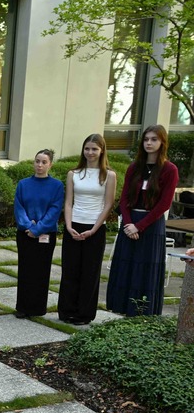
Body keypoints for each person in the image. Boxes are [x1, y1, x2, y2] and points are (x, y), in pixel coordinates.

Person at [106, 125, 179, 316]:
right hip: (130, 223)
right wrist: (129, 224)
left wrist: (139, 226)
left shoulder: (170, 170)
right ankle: (122, 308)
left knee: (145, 269)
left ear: (162, 142)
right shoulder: (134, 167)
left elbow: (164, 204)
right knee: (126, 266)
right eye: (146, 139)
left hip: (151, 225)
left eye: (154, 139)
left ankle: (142, 312)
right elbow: (124, 200)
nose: (149, 143)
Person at [58, 134, 117, 324]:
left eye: (94, 149)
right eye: (87, 148)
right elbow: (68, 202)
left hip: (95, 228)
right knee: (70, 270)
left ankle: (84, 314)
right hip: (74, 226)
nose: (90, 152)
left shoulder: (109, 175)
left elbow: (108, 205)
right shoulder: (73, 174)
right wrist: (68, 226)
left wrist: (93, 229)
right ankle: (67, 311)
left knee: (90, 272)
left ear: (101, 151)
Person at [13, 149, 65, 318]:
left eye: (44, 162)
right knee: (26, 270)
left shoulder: (57, 186)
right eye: (37, 161)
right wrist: (28, 226)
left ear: (50, 164)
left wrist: (37, 229)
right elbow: (19, 207)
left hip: (45, 234)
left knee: (41, 271)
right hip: (25, 234)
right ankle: (23, 307)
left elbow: (55, 210)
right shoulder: (23, 184)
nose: (39, 165)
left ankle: (37, 308)